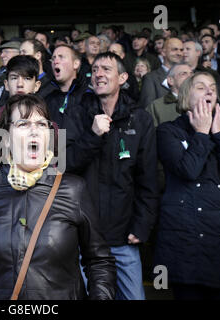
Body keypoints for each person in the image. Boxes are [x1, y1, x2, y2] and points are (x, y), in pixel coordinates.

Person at [0, 94, 116, 300]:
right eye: (23, 124)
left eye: (42, 124)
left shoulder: (73, 189)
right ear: (6, 139)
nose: (34, 130)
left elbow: (99, 261)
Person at [66, 52, 159, 300]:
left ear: (123, 77)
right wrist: (93, 135)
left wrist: (142, 225)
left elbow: (148, 178)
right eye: (95, 69)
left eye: (106, 69)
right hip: (84, 237)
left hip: (123, 236)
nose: (98, 74)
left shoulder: (140, 119)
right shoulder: (77, 113)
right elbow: (64, 165)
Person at [154, 72, 220, 300]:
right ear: (185, 96)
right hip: (185, 241)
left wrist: (218, 134)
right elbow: (188, 170)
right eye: (201, 87)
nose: (210, 90)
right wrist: (201, 133)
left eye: (212, 87)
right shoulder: (168, 131)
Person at [0, 55, 42, 176]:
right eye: (14, 78)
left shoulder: (48, 125)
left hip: (39, 193)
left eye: (27, 78)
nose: (20, 84)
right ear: (6, 84)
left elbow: (52, 171)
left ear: (37, 85)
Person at [139, 37, 184, 109]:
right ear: (163, 52)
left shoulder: (188, 76)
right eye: (174, 49)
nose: (179, 53)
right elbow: (148, 108)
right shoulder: (150, 78)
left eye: (181, 50)